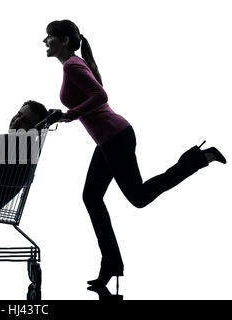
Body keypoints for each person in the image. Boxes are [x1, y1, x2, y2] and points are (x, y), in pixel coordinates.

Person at [43, 20, 227, 288]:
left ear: (64, 41)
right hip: (108, 140)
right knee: (91, 197)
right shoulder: (71, 66)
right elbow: (89, 102)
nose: (44, 42)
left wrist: (69, 115)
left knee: (138, 197)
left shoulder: (72, 65)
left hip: (116, 137)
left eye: (49, 37)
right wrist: (59, 115)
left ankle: (200, 158)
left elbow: (100, 96)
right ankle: (111, 266)